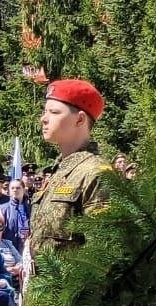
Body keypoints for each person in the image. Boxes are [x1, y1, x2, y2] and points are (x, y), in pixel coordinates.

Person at [28, 78, 111, 258]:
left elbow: (103, 253)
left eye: (54, 112)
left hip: (71, 285)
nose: (44, 118)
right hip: (42, 284)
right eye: (45, 111)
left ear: (80, 119)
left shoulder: (96, 173)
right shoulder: (59, 171)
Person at [0, 178, 32, 252]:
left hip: (26, 247)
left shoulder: (30, 208)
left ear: (23, 189)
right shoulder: (3, 209)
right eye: (12, 188)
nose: (15, 190)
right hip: (8, 248)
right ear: (9, 190)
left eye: (18, 188)